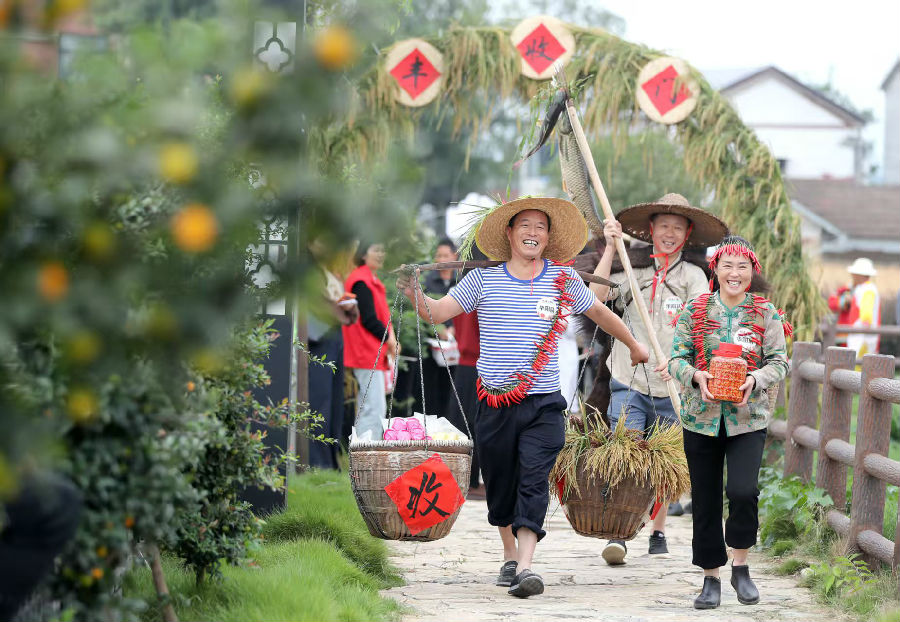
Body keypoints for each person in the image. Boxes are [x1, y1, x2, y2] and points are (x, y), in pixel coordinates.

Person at [397, 197, 649, 599]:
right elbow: (438, 312)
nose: (533, 233)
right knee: (500, 484)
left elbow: (599, 312)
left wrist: (634, 344)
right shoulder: (484, 281)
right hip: (494, 402)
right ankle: (510, 555)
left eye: (541, 227)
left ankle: (527, 567)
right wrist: (414, 295)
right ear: (510, 233)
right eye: (525, 226)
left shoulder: (562, 279)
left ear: (548, 238)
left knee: (534, 480)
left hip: (543, 402)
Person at [590, 193, 727, 564]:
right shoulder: (630, 269)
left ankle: (659, 528)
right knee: (626, 452)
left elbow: (705, 329)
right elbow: (593, 299)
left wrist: (682, 364)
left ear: (688, 233)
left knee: (665, 460)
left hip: (673, 385)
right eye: (663, 225)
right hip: (628, 378)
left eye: (677, 227)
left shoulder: (694, 278)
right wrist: (610, 248)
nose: (669, 233)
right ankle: (620, 531)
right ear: (650, 230)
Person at [667, 235, 790, 610]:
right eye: (727, 266)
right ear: (715, 269)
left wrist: (755, 379)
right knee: (705, 499)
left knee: (742, 491)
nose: (735, 273)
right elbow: (676, 360)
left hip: (748, 421)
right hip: (700, 420)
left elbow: (779, 362)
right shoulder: (695, 310)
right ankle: (710, 577)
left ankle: (741, 566)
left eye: (742, 266)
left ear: (753, 270)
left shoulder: (766, 313)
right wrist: (697, 377)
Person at [308, 239, 359, 469]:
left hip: (332, 336)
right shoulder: (307, 268)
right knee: (320, 403)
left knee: (334, 403)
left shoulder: (326, 270)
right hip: (317, 339)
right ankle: (319, 463)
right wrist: (340, 309)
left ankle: (330, 460)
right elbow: (316, 303)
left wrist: (347, 306)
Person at [343, 242, 399, 441]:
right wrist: (390, 340)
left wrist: (391, 338)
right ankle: (366, 455)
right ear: (363, 254)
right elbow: (368, 320)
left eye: (383, 250)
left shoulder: (369, 279)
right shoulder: (361, 281)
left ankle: (365, 453)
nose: (381, 254)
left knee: (372, 407)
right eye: (376, 250)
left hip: (372, 352)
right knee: (372, 409)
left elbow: (380, 318)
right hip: (366, 352)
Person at [420, 238, 459, 414]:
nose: (442, 260)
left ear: (455, 256)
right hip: (431, 346)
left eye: (446, 255)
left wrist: (454, 329)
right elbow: (421, 310)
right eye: (439, 256)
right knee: (430, 391)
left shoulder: (462, 280)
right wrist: (438, 329)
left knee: (452, 390)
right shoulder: (427, 281)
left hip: (455, 348)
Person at [845, 258, 881, 358]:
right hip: (861, 337)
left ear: (859, 275)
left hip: (862, 339)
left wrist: (864, 331)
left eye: (854, 273)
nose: (852, 275)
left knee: (859, 364)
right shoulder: (864, 288)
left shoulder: (867, 290)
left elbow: (866, 315)